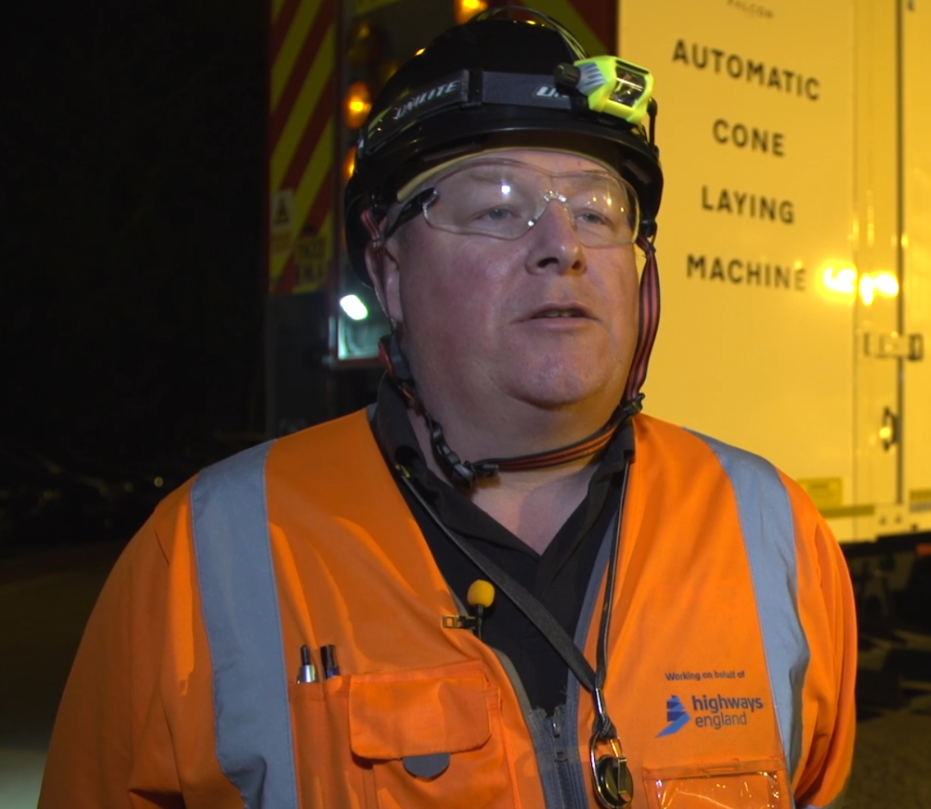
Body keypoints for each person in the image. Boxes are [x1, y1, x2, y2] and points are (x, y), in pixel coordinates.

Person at [40, 10, 856, 809]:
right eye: (499, 205)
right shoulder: (200, 560)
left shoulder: (776, 532)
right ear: (389, 270)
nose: (562, 244)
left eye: (599, 208)